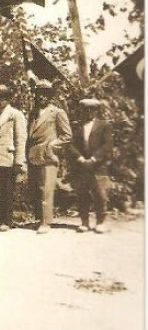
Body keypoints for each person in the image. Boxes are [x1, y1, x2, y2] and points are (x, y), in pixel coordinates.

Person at [26, 81, 72, 234]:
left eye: (45, 94)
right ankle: (40, 218)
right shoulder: (33, 113)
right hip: (33, 154)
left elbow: (67, 136)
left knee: (46, 189)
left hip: (48, 155)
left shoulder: (57, 113)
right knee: (36, 189)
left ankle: (46, 221)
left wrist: (52, 146)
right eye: (38, 93)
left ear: (50, 96)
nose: (41, 97)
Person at [67, 98, 113, 233]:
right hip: (82, 166)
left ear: (96, 111)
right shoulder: (77, 126)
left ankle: (100, 222)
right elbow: (70, 145)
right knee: (82, 194)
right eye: (86, 109)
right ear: (82, 110)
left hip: (98, 166)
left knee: (100, 194)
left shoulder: (104, 125)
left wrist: (94, 159)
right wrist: (80, 158)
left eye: (92, 109)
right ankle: (84, 222)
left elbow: (107, 145)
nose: (89, 112)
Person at [0, 84, 27, 231]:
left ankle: (7, 221)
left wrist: (19, 161)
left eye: (2, 98)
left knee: (7, 191)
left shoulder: (15, 115)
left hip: (7, 158)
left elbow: (20, 139)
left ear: (8, 99)